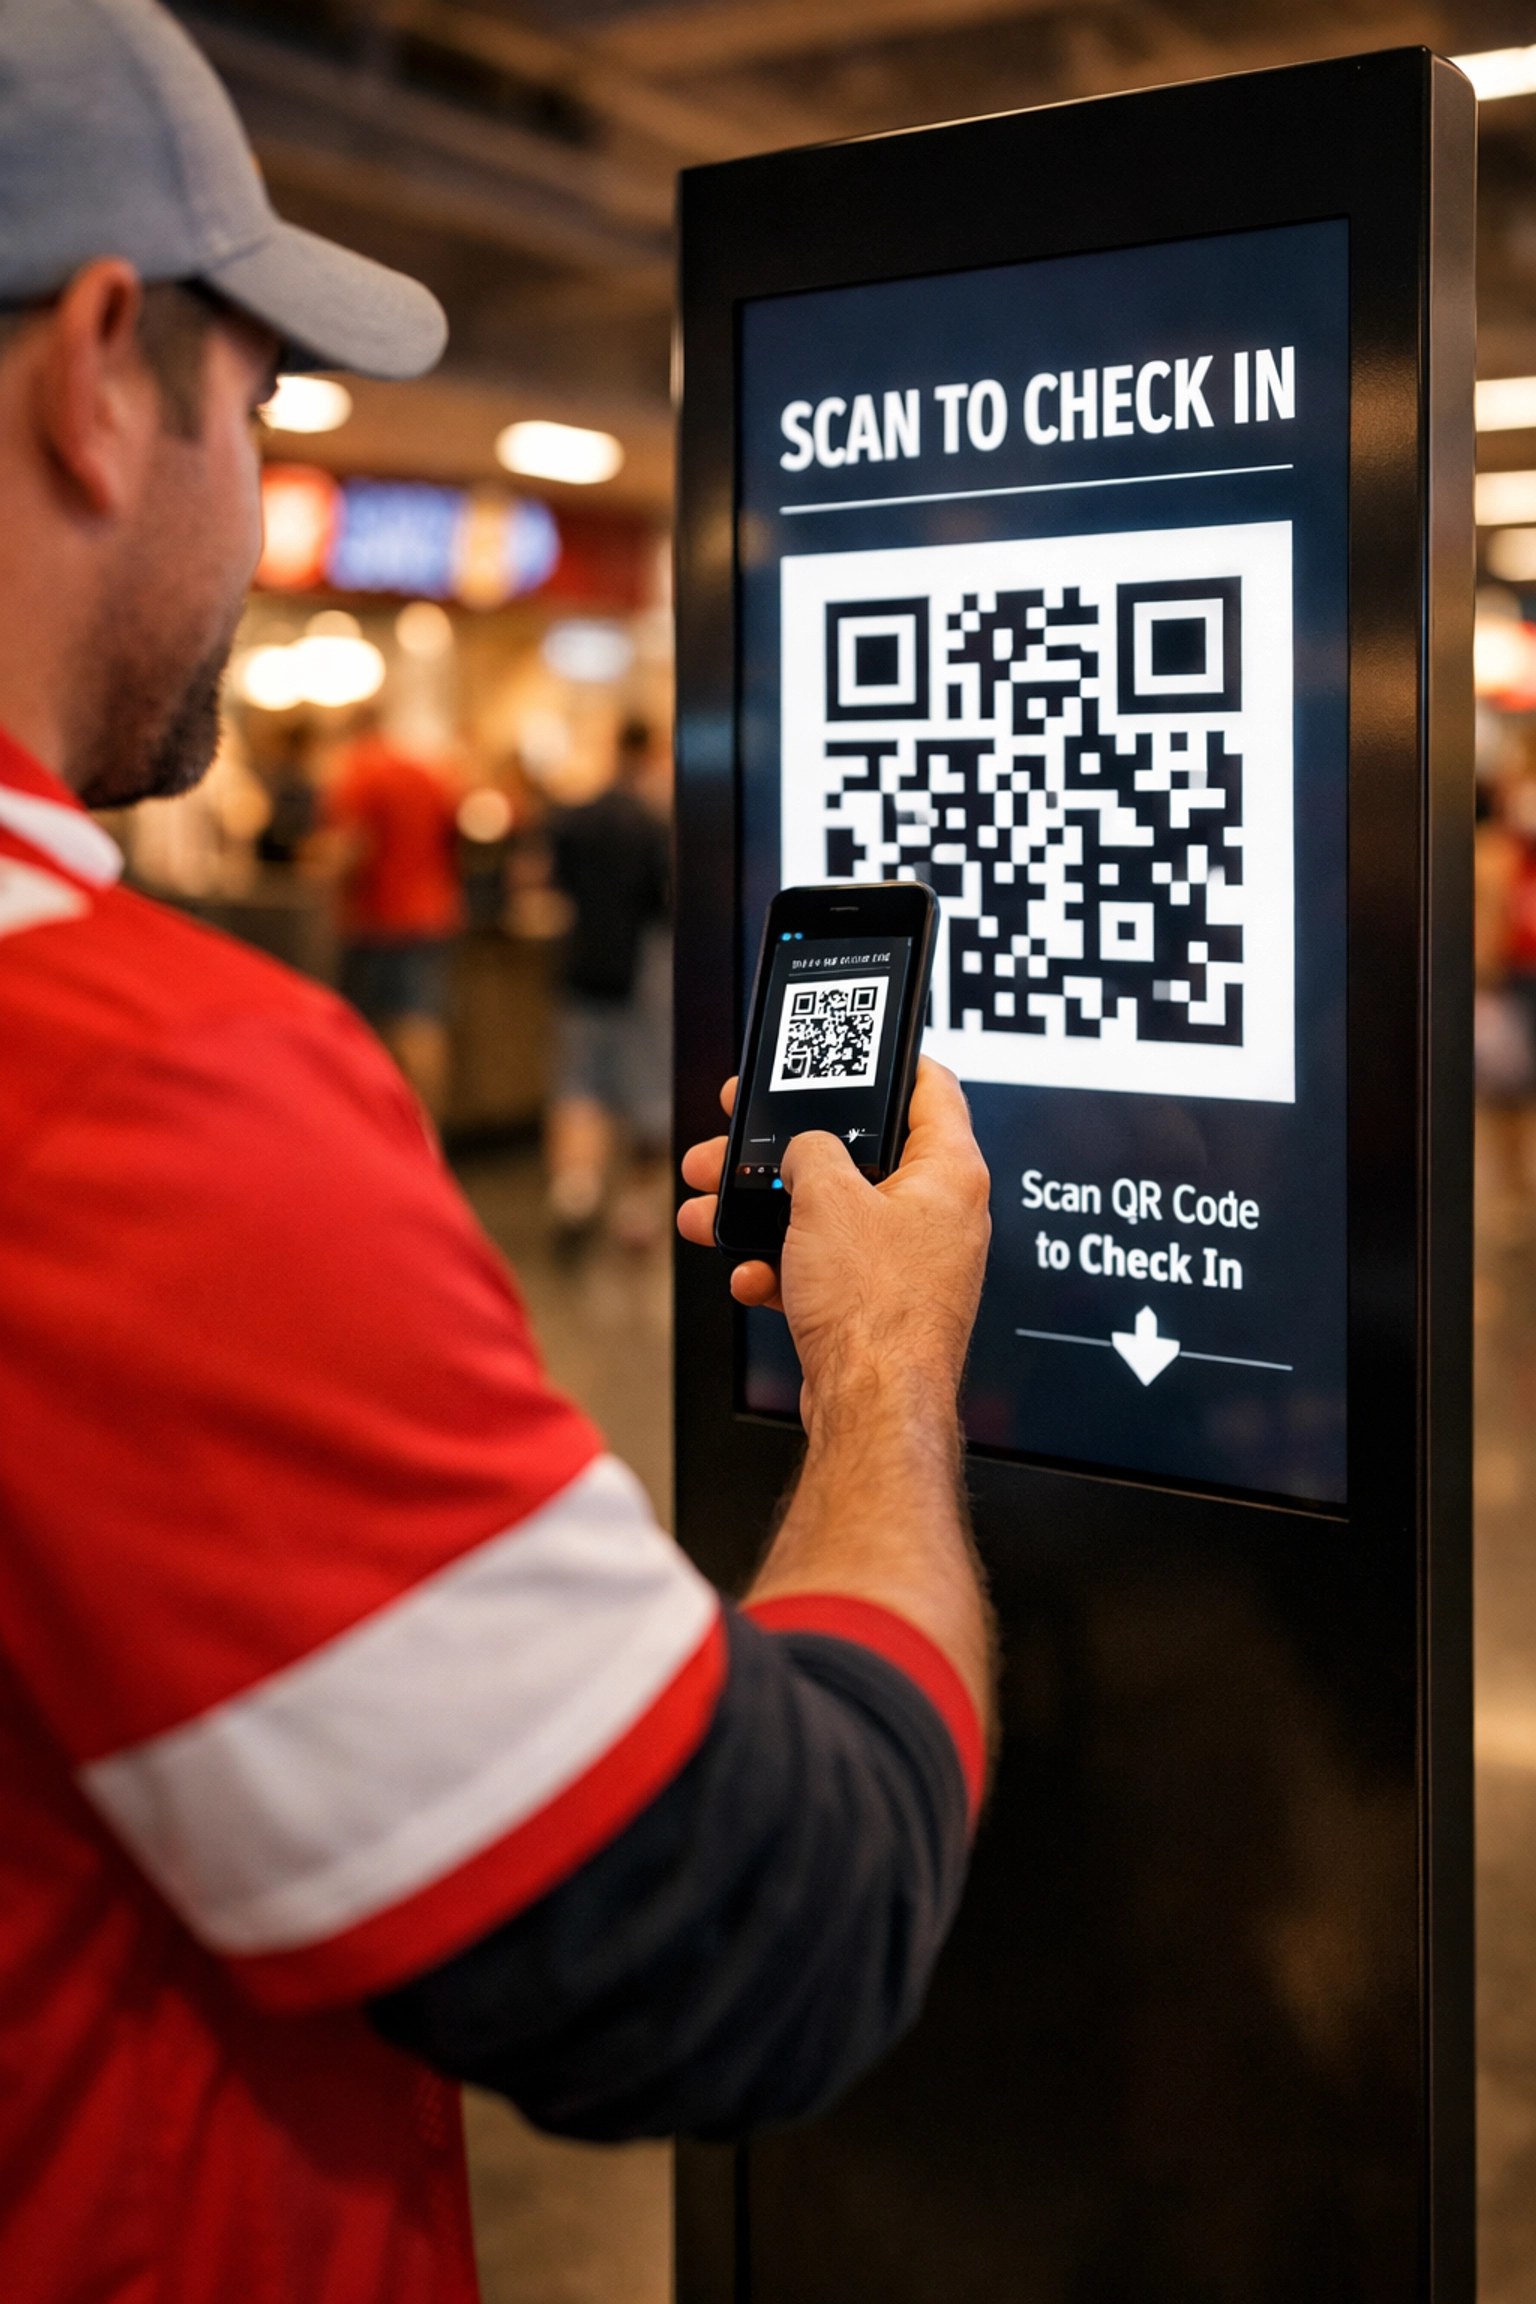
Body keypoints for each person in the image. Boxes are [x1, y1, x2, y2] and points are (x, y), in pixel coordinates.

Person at [0, 7, 995, 2303]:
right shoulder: (136, 1106)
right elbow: (766, 1922)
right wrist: (880, 1370)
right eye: (258, 408)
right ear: (100, 369)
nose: (253, 494)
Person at [545, 717, 672, 1242]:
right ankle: (639, 1211)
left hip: (584, 964)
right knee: (649, 1092)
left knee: (579, 1083)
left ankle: (576, 1190)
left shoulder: (576, 817)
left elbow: (553, 884)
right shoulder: (655, 824)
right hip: (643, 970)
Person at [326, 711, 464, 1121]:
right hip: (434, 910)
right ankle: (426, 1132)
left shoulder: (361, 770)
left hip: (381, 917)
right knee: (423, 1022)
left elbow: (352, 847)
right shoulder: (428, 772)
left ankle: (386, 1130)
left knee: (380, 1031)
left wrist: (317, 863)